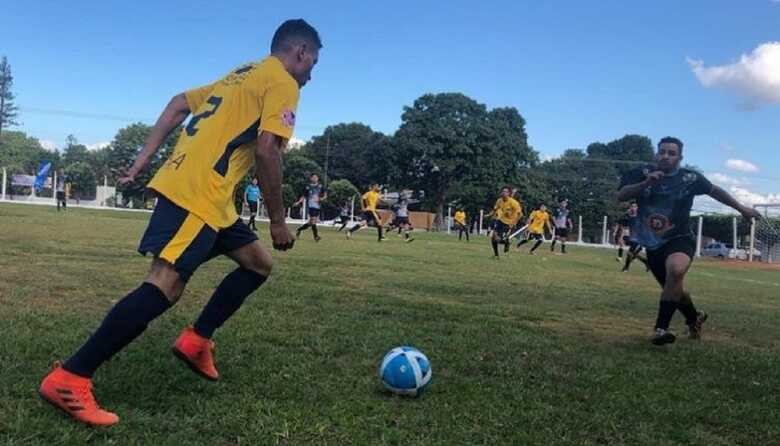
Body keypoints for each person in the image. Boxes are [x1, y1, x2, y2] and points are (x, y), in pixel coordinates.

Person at [38, 19, 321, 426]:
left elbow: (177, 103)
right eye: (313, 63)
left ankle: (196, 340)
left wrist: (143, 158)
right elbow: (267, 151)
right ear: (301, 52)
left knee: (258, 264)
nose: (311, 74)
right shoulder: (283, 82)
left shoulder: (243, 73)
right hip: (198, 192)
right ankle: (71, 377)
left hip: (211, 196)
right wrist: (278, 220)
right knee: (165, 284)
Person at [617, 136, 761, 345]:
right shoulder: (641, 172)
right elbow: (621, 195)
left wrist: (742, 208)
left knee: (675, 271)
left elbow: (716, 191)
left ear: (680, 158)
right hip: (654, 243)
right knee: (674, 288)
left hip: (680, 238)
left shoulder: (690, 178)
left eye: (671, 153)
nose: (665, 156)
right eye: (662, 152)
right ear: (656, 154)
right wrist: (646, 183)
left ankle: (661, 330)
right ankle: (694, 318)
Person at [489, 186, 522, 258]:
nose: (504, 193)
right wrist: (490, 214)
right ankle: (496, 255)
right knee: (493, 237)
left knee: (499, 239)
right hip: (501, 221)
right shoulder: (499, 200)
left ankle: (507, 242)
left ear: (509, 193)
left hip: (509, 223)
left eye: (506, 192)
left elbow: (520, 214)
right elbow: (495, 209)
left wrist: (514, 223)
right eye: (503, 191)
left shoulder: (514, 203)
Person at [294, 173, 327, 242]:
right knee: (313, 221)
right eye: (313, 177)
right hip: (311, 206)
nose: (315, 179)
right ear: (311, 178)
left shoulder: (321, 186)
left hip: (318, 206)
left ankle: (299, 230)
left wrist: (320, 199)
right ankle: (316, 236)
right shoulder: (307, 187)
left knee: (310, 223)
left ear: (318, 178)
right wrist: (298, 202)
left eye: (316, 177)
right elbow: (303, 196)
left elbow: (325, 196)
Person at [617, 202, 648, 272]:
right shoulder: (627, 217)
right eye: (632, 206)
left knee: (630, 253)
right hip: (631, 237)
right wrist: (621, 237)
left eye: (635, 206)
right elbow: (623, 227)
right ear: (630, 207)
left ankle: (626, 268)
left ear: (637, 208)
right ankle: (645, 262)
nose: (633, 208)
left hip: (639, 238)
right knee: (632, 253)